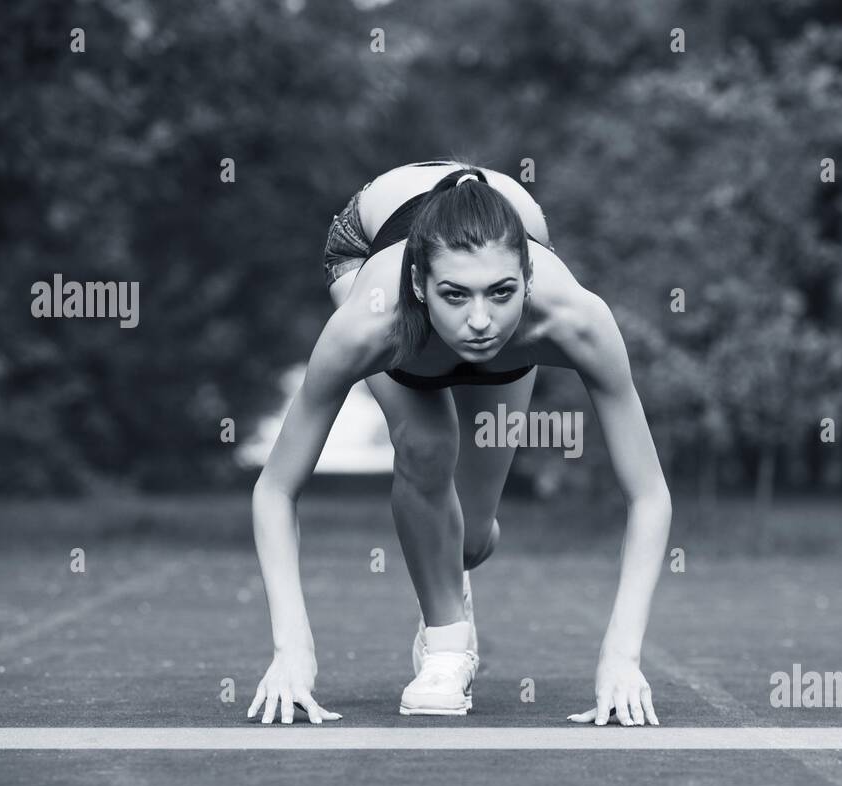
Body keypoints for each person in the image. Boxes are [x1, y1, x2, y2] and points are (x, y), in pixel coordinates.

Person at [248, 160, 671, 726]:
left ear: (526, 277)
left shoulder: (573, 321)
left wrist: (622, 659)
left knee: (467, 541)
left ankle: (451, 569)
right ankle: (448, 650)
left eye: (501, 293)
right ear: (421, 286)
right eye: (455, 296)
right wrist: (291, 650)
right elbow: (276, 489)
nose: (480, 321)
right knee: (426, 442)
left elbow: (649, 495)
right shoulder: (369, 325)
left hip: (508, 225)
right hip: (367, 238)